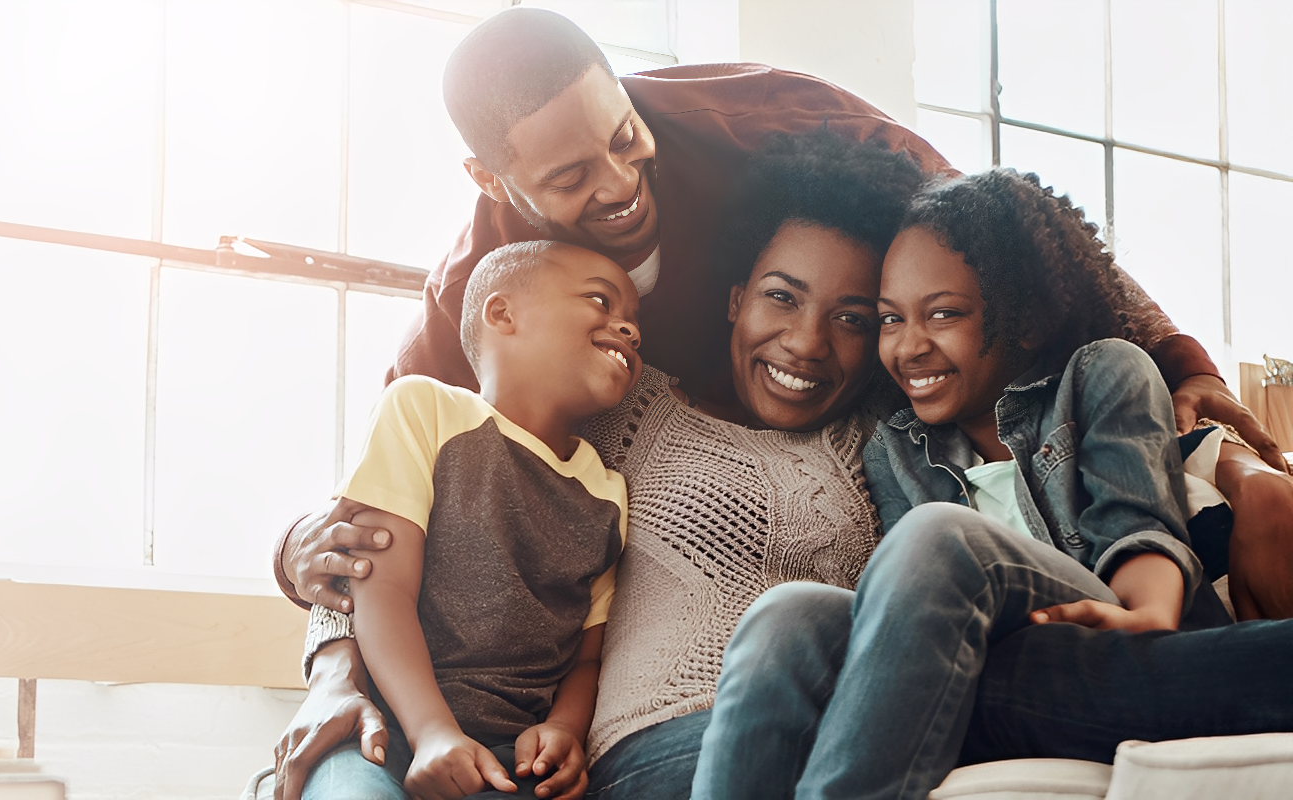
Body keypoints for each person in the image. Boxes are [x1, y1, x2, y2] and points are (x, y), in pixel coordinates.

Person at [273, 8, 1293, 798]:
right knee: (803, 619)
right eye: (576, 174)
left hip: (860, 668)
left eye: (624, 137)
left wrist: (1180, 368)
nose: (624, 180)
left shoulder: (769, 139)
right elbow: (389, 509)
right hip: (677, 723)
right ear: (492, 174)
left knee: (839, 615)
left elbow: (1008, 235)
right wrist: (324, 640)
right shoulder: (519, 319)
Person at [691, 169, 1293, 800]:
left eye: (944, 314)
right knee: (785, 618)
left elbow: (1138, 526)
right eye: (890, 320)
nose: (909, 346)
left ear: (1023, 321)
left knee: (940, 537)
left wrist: (1147, 614)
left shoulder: (1101, 374)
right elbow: (909, 609)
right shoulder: (894, 446)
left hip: (1110, 620)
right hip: (993, 656)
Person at [301, 241, 641, 800]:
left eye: (633, 321)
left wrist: (563, 729)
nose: (627, 328)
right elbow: (379, 590)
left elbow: (588, 657)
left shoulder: (608, 492)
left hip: (512, 760)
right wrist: (433, 733)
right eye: (601, 302)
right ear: (502, 313)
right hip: (383, 732)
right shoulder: (424, 408)